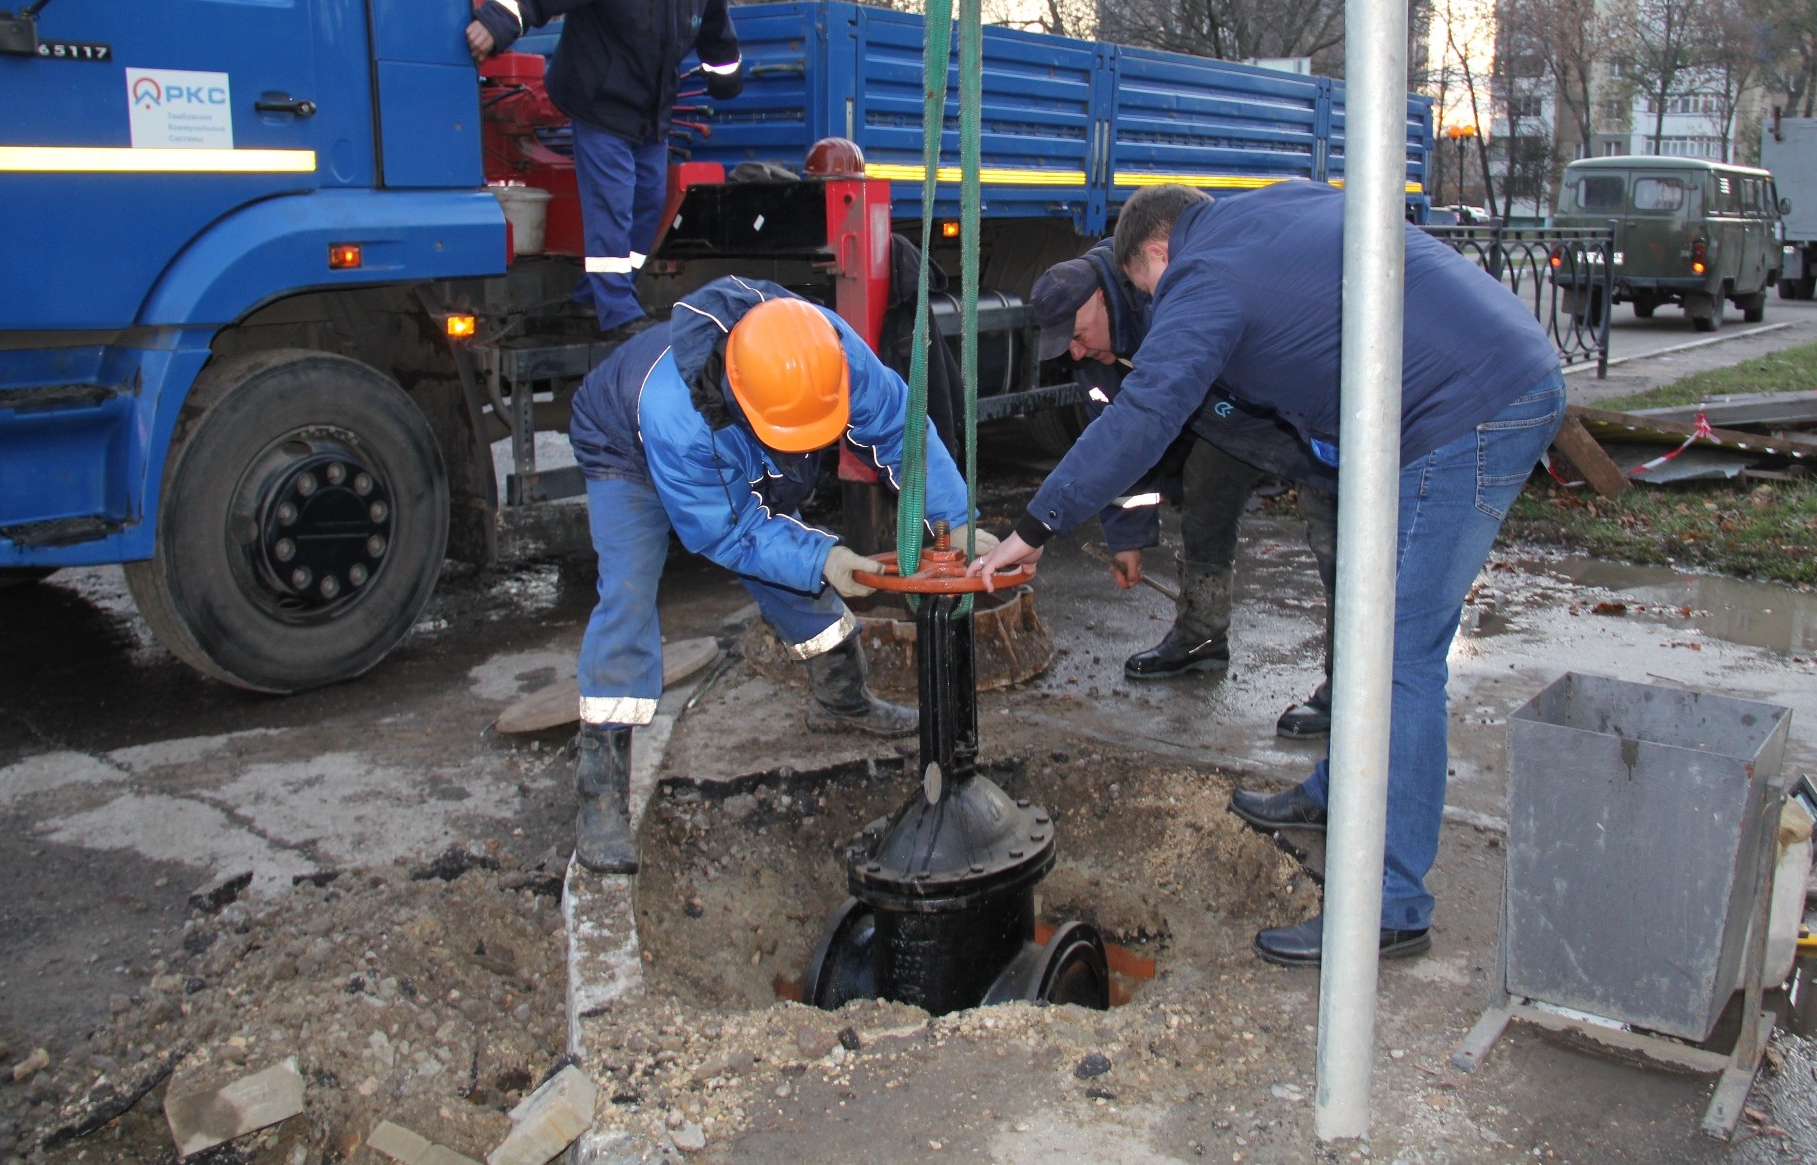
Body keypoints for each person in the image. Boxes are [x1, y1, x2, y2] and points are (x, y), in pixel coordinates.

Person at [972, 181, 1566, 964]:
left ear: (1157, 250)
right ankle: (1338, 793)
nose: (1152, 301)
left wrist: (1036, 524)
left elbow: (1146, 411)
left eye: (1146, 285)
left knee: (1397, 655)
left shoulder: (1199, 274)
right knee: (1366, 622)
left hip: (1467, 409)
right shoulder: (1261, 213)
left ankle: (1388, 905)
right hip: (1460, 390)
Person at [566, 278, 993, 873]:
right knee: (630, 595)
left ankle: (842, 702)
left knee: (789, 569)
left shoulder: (824, 353)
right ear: (742, 398)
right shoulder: (679, 419)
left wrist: (956, 518)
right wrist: (823, 557)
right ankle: (600, 797)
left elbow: (902, 428)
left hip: (727, 441)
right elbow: (729, 533)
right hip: (625, 448)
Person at [1030, 248, 1337, 732]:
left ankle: (1353, 686)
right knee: (1206, 496)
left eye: (1077, 334)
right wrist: (1127, 539)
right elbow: (1118, 449)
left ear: (1101, 299)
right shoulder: (1094, 358)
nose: (1075, 352)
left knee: (1335, 527)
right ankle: (1201, 635)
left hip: (1301, 398)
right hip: (1224, 415)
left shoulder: (1167, 295)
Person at [466, 0, 743, 331]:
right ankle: (617, 312)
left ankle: (592, 293)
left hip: (651, 109)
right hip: (599, 98)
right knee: (613, 203)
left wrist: (726, 73)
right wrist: (496, 19)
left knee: (646, 205)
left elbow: (715, 23)